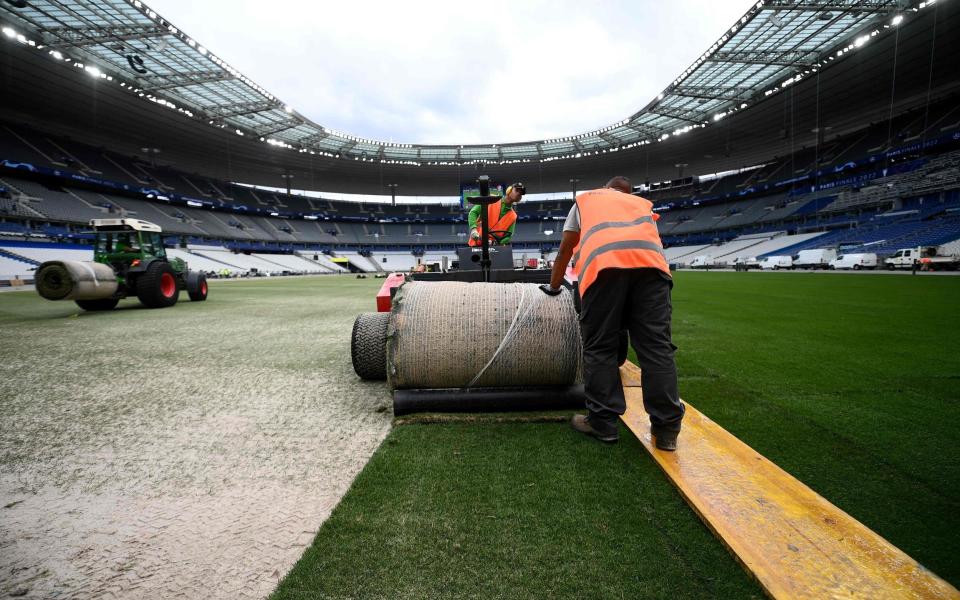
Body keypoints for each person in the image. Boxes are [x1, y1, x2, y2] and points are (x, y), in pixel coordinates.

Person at [539, 176, 684, 451]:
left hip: (605, 271)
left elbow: (565, 250)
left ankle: (603, 423)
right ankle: (667, 430)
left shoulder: (589, 200)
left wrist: (554, 286)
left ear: (606, 188)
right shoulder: (642, 205)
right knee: (657, 349)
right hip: (653, 274)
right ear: (628, 193)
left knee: (600, 347)